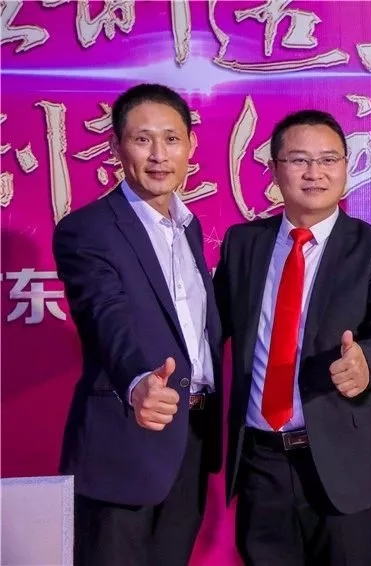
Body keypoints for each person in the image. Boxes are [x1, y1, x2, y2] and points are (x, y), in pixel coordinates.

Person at [213, 109, 371, 566]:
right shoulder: (243, 243)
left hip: (345, 463)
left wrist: (367, 362)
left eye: (328, 160)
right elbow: (212, 326)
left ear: (345, 166)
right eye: (299, 160)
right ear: (274, 169)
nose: (314, 173)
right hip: (262, 463)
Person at [53, 83, 222, 566]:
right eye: (142, 139)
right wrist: (137, 381)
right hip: (122, 445)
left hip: (189, 441)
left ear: (190, 146)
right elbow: (107, 316)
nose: (158, 155)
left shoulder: (188, 228)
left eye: (171, 139)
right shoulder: (88, 229)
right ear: (116, 146)